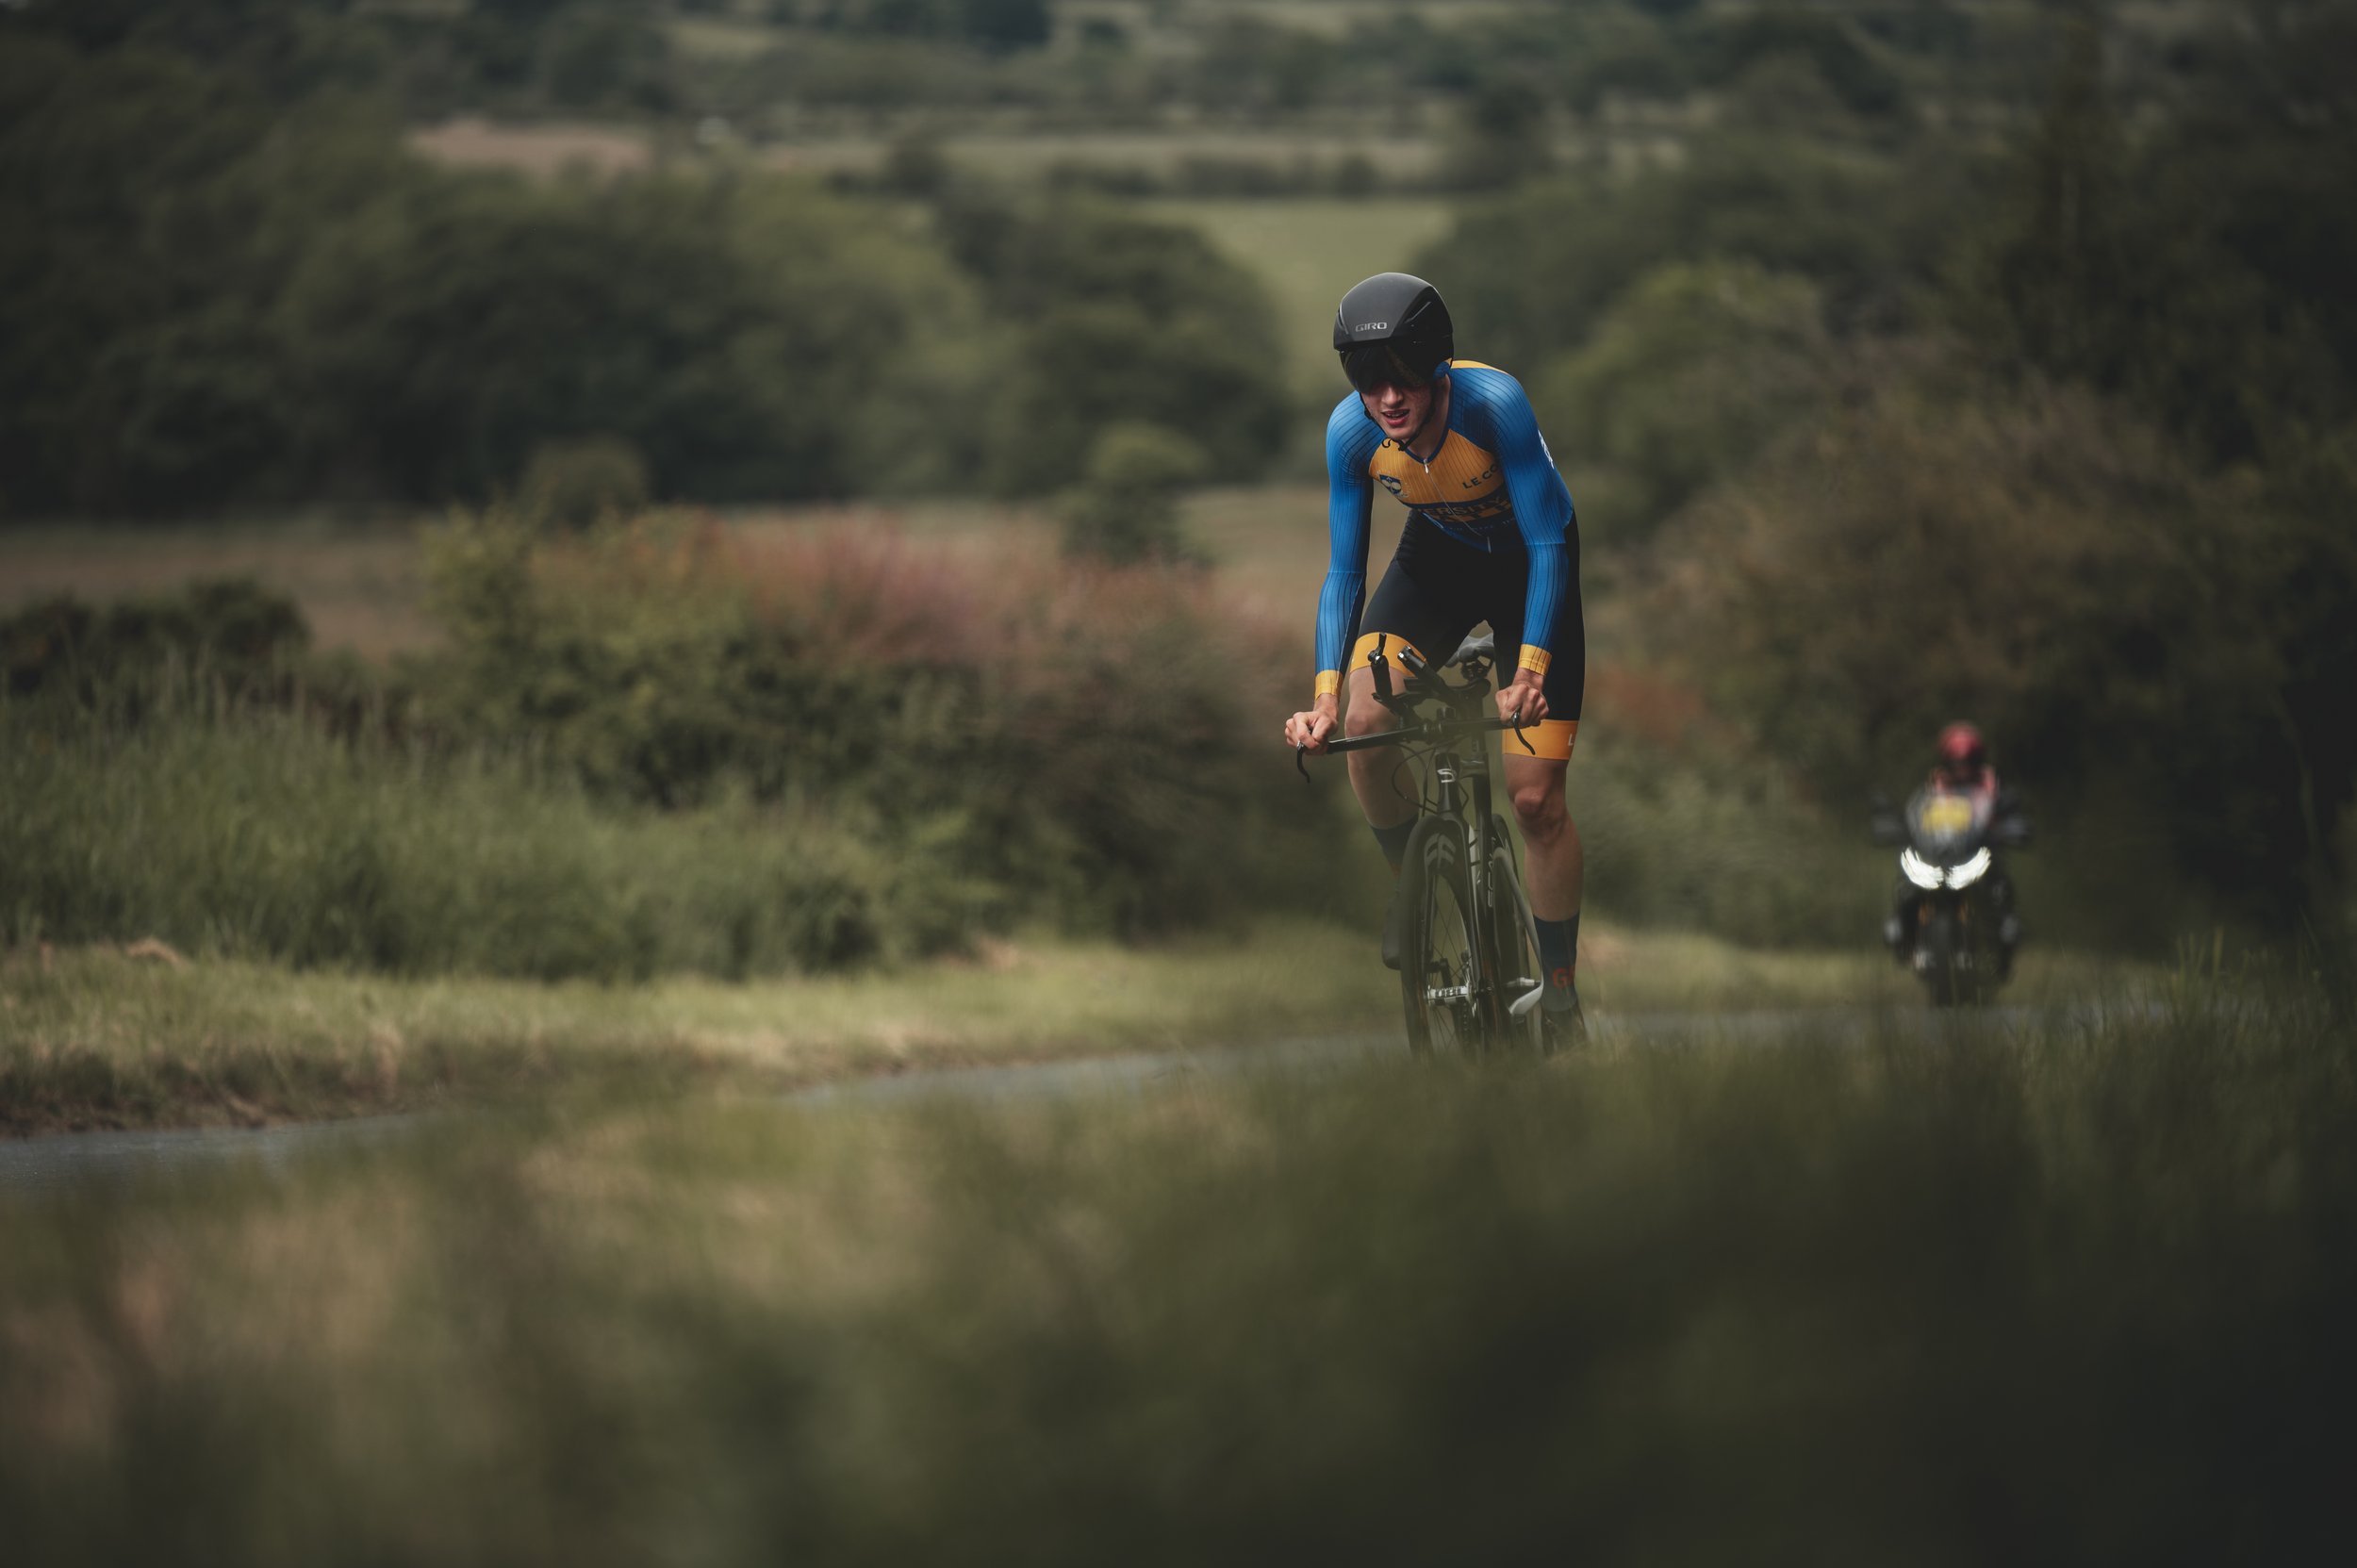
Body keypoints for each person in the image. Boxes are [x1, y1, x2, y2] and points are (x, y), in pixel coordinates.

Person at [1282, 272, 1586, 1026]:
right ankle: (1411, 885)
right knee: (1364, 720)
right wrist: (1322, 700)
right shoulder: (1351, 433)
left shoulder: (1494, 404)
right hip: (1437, 563)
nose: (1389, 397)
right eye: (1369, 378)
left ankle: (1560, 993)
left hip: (1529, 567)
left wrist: (1530, 672)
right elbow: (1345, 573)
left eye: (1407, 376)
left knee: (1534, 801)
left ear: (1438, 366)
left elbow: (1548, 543)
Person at [1883, 721, 2029, 972]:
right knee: (1907, 885)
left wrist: (2011, 827)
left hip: (1977, 855)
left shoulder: (1991, 787)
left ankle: (2003, 934)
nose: (1962, 768)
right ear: (1945, 761)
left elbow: (2011, 816)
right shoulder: (1932, 789)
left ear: (1978, 760)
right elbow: (1914, 817)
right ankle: (1904, 935)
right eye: (1956, 762)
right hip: (1937, 856)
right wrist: (1900, 831)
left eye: (1968, 761)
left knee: (1999, 885)